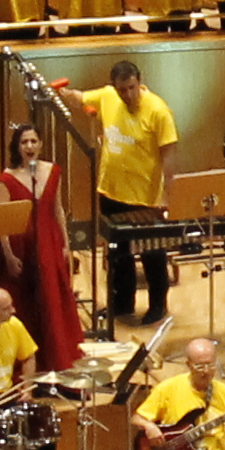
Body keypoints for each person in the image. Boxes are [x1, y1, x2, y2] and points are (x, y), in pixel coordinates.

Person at [67, 56, 178, 325]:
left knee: (152, 255)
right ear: (114, 87)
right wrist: (62, 93)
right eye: (122, 89)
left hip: (144, 198)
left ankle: (157, 306)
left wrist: (166, 195)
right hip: (111, 192)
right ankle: (122, 303)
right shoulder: (107, 96)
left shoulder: (158, 110)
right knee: (118, 254)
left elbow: (169, 155)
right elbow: (80, 98)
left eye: (131, 88)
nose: (127, 94)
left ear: (139, 83)